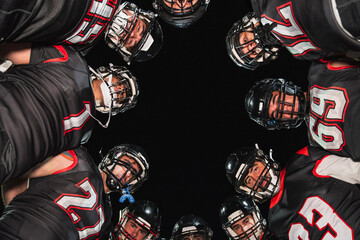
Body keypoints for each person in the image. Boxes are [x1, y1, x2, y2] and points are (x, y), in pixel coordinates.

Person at [0, 43, 139, 185]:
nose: (120, 90)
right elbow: (9, 49)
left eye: (123, 95)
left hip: (12, 157)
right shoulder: (73, 60)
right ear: (107, 71)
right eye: (122, 83)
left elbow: (39, 166)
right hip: (6, 111)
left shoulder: (85, 136)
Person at [0, 144, 150, 240]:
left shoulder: (106, 215)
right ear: (112, 158)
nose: (127, 174)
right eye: (127, 164)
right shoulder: (78, 160)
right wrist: (14, 210)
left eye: (133, 173)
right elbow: (17, 168)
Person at [225, 144, 360, 238]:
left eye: (255, 168)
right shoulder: (275, 223)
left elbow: (355, 170)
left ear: (264, 159)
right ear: (246, 190)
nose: (256, 178)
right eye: (248, 180)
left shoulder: (303, 161)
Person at [245, 56, 360, 161]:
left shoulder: (319, 72)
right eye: (276, 113)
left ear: (283, 89)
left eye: (276, 100)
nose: (282, 108)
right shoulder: (315, 147)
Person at [0, 1, 163, 63]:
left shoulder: (81, 50)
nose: (131, 34)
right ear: (142, 15)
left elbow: (32, 52)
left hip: (10, 20)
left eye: (131, 42)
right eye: (140, 29)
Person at [226, 0, 360, 70]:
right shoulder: (301, 54)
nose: (252, 45)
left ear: (245, 25)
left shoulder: (260, 4)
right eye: (252, 52)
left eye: (245, 40)